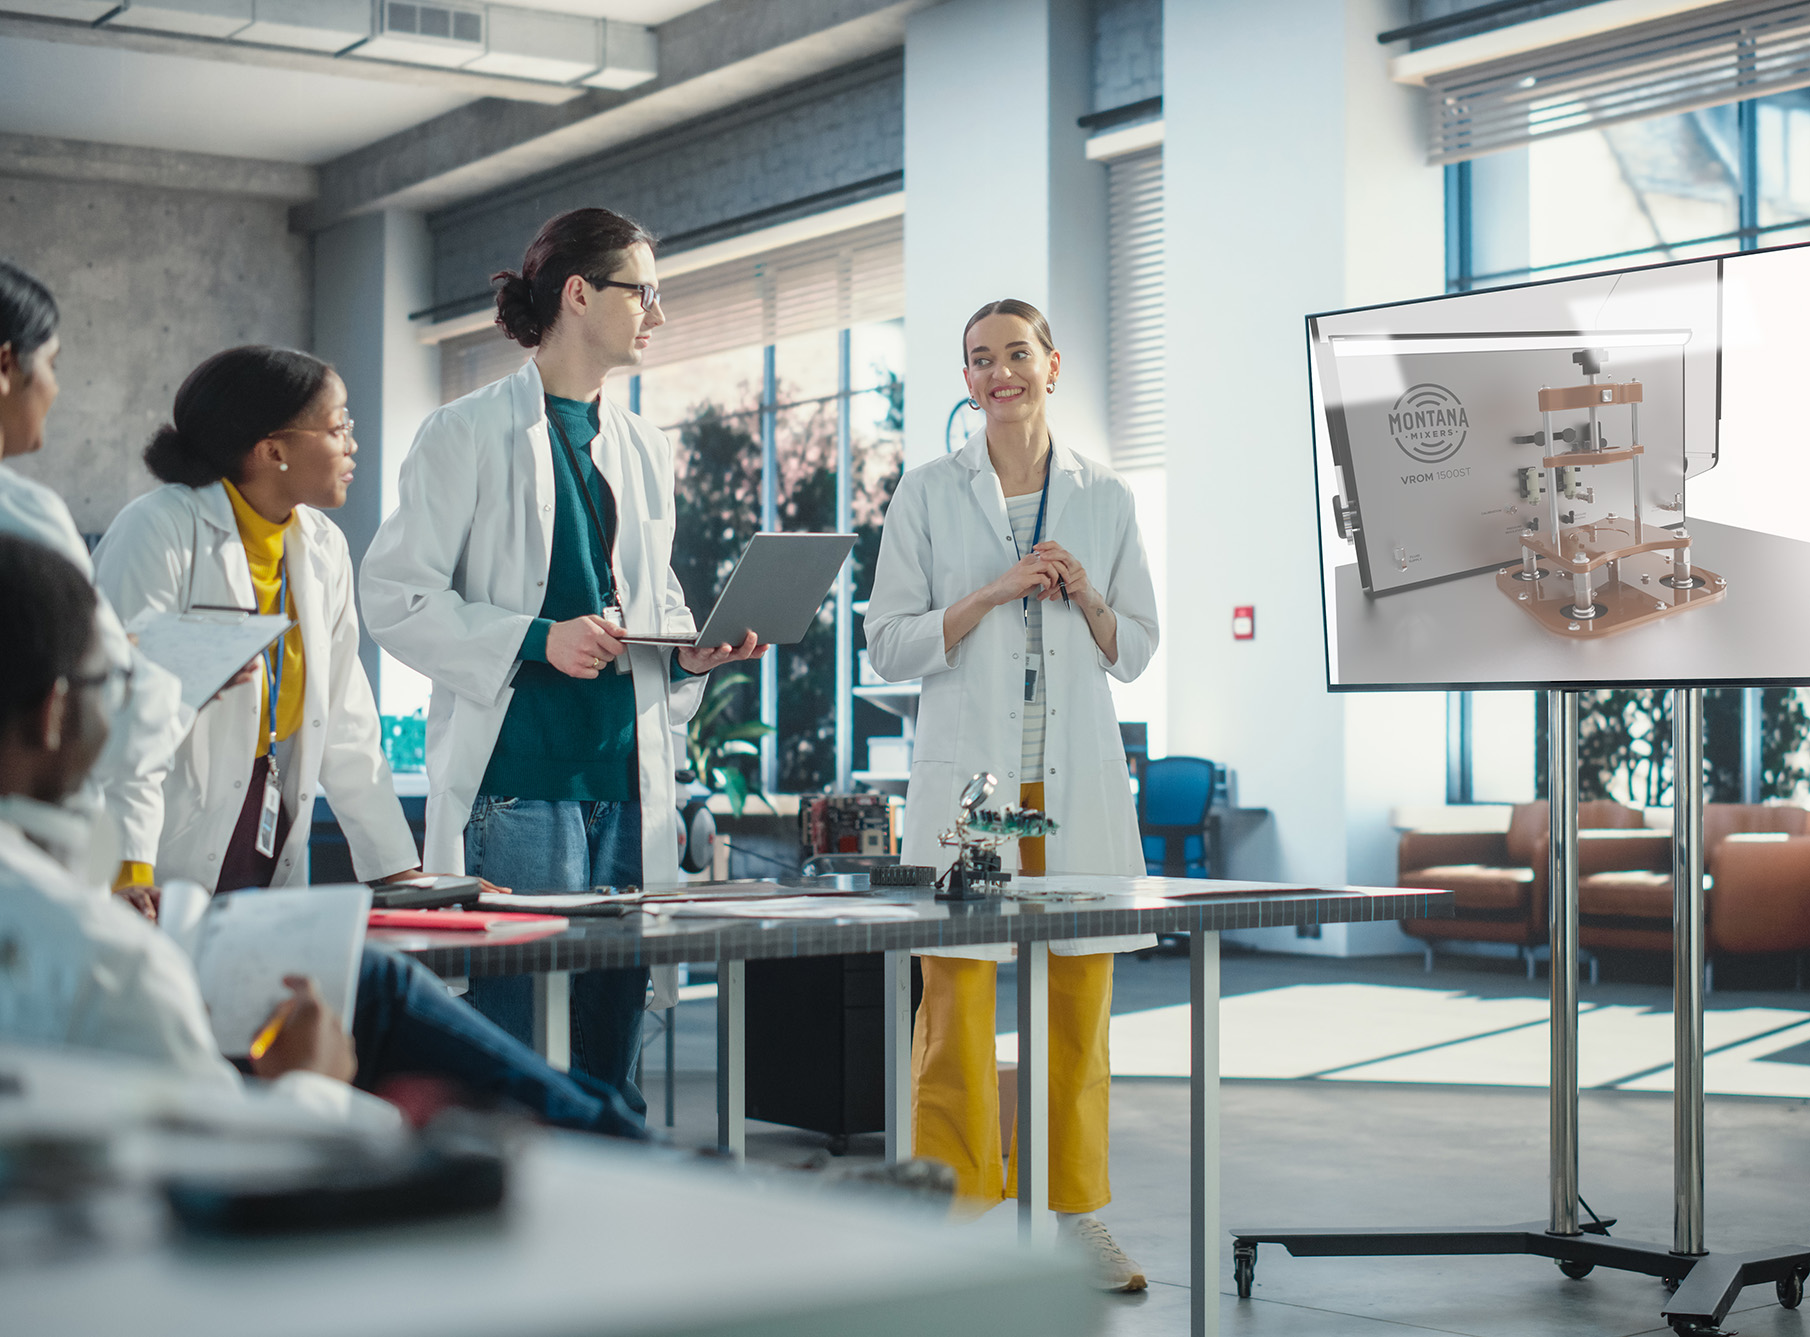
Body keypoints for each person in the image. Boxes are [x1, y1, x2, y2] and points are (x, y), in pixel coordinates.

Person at [0, 533, 641, 1138]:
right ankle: (626, 1147)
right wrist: (311, 1083)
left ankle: (613, 1135)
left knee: (373, 984)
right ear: (54, 712)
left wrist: (397, 871)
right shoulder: (113, 969)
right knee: (380, 999)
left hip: (180, 917)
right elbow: (218, 1159)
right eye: (114, 682)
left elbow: (348, 729)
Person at [361, 206, 762, 1110]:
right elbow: (393, 596)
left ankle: (609, 1230)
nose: (657, 315)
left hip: (625, 773)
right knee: (519, 1042)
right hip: (522, 782)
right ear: (579, 294)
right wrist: (539, 638)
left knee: (609, 1036)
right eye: (643, 293)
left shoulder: (641, 445)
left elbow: (650, 598)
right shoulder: (463, 433)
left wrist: (695, 653)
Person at [864, 298, 1161, 1291]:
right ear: (966, 379)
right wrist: (993, 590)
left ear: (1053, 365)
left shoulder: (1104, 496)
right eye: (980, 359)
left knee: (1077, 999)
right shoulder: (925, 492)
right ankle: (952, 1217)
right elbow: (889, 641)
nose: (1000, 373)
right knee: (958, 998)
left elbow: (1139, 649)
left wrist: (1082, 592)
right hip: (972, 790)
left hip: (1068, 783)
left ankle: (1071, 1215)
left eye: (1016, 355)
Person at [93, 346, 426, 893]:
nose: (352, 443)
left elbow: (345, 720)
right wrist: (128, 867)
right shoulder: (158, 529)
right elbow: (123, 716)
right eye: (337, 426)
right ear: (273, 450)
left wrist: (398, 871)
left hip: (266, 822)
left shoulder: (322, 546)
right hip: (161, 836)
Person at [0, 259, 187, 917]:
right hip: (32, 881)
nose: (53, 386)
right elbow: (119, 718)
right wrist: (153, 671)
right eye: (49, 362)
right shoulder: (23, 514)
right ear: (5, 366)